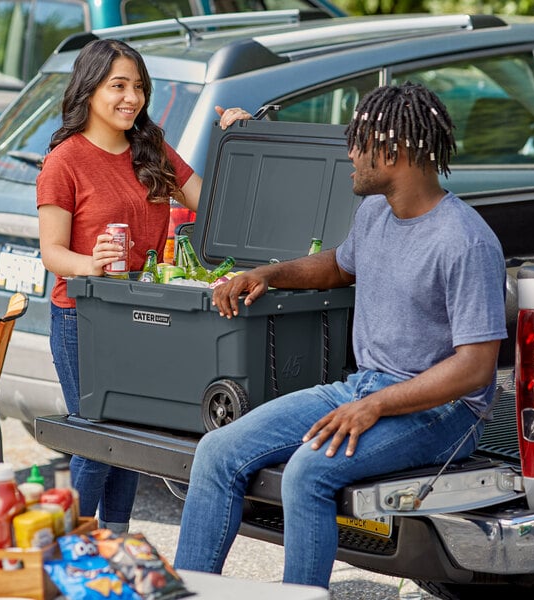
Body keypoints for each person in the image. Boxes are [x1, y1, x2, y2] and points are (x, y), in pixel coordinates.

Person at [173, 82, 508, 587]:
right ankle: (189, 593)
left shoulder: (465, 241)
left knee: (309, 471)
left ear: (392, 152)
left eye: (359, 141)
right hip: (363, 388)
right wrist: (269, 273)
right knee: (217, 452)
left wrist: (376, 406)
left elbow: (476, 367)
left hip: (443, 414)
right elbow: (338, 266)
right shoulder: (376, 212)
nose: (349, 152)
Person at [36, 38, 250, 533]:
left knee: (132, 440)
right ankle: (71, 554)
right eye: (118, 86)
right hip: (83, 320)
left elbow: (216, 205)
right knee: (94, 440)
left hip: (142, 318)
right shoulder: (64, 162)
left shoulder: (149, 148)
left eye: (138, 87)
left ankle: (116, 545)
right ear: (89, 91)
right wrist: (92, 262)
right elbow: (52, 252)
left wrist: (238, 140)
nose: (131, 97)